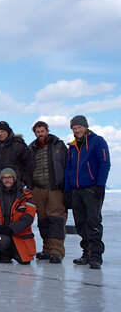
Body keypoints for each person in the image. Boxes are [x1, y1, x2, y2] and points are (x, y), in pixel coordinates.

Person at [65, 115, 110, 269]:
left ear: (85, 127)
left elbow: (105, 163)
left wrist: (100, 185)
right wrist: (67, 190)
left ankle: (96, 256)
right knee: (80, 223)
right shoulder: (72, 146)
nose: (77, 130)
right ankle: (87, 253)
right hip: (76, 190)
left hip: (92, 188)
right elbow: (69, 169)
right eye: (74, 128)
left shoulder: (97, 141)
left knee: (93, 221)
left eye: (79, 127)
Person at [27, 121, 68, 263]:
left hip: (55, 188)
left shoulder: (59, 145)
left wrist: (66, 187)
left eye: (42, 131)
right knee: (43, 220)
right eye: (38, 132)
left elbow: (66, 165)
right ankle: (47, 249)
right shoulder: (31, 148)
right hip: (37, 189)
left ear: (47, 131)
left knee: (56, 219)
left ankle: (56, 251)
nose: (40, 134)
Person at [0, 168, 36, 264]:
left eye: (9, 177)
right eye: (4, 177)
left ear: (14, 179)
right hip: (1, 233)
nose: (7, 180)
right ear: (1, 180)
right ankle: (4, 255)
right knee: (2, 241)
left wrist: (12, 228)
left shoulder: (26, 196)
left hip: (19, 235)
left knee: (24, 261)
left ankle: (16, 253)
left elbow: (28, 217)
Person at [0, 121, 30, 187]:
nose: (0, 134)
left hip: (16, 184)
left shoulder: (18, 144)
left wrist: (24, 180)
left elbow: (27, 164)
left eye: (2, 131)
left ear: (8, 132)